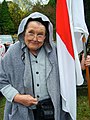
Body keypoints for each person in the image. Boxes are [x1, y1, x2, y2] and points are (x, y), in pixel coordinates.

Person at [0, 12, 72, 120]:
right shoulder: (12, 52)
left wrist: (82, 63)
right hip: (22, 110)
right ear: (23, 33)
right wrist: (17, 97)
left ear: (45, 36)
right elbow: (1, 79)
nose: (35, 38)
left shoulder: (56, 52)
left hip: (51, 110)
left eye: (40, 34)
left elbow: (69, 70)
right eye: (31, 33)